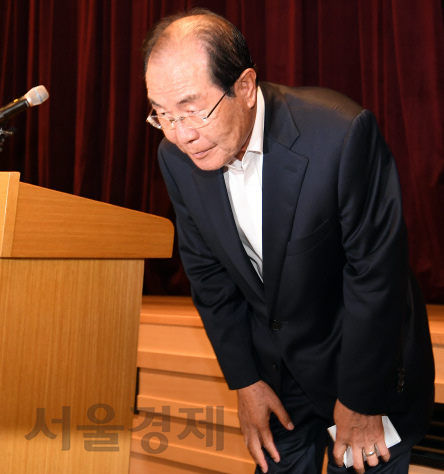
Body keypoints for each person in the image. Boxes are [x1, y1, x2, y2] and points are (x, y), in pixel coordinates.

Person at [142, 9, 434, 474]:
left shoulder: (338, 135)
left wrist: (359, 401)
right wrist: (247, 381)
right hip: (277, 377)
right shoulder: (175, 158)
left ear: (245, 86)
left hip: (362, 364)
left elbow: (375, 278)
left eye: (194, 110)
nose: (183, 135)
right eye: (163, 115)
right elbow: (209, 278)